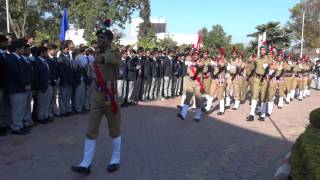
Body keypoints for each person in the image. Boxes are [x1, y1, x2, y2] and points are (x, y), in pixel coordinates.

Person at [71, 20, 122, 174]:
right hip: (96, 95)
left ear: (110, 41)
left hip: (110, 96)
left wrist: (91, 58)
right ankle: (85, 164)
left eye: (104, 38)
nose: (100, 40)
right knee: (91, 130)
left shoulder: (114, 53)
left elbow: (104, 59)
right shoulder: (95, 53)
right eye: (99, 38)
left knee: (114, 129)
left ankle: (115, 159)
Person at [6, 39, 32, 135]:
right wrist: (25, 84)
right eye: (23, 48)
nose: (24, 50)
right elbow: (16, 74)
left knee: (21, 108)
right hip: (16, 88)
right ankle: (16, 127)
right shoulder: (11, 58)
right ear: (17, 48)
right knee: (17, 108)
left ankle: (20, 125)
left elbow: (25, 73)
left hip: (22, 87)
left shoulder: (19, 58)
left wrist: (27, 83)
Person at [177, 52, 206, 122]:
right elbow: (190, 74)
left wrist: (194, 65)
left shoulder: (201, 62)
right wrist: (191, 66)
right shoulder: (190, 64)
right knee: (187, 98)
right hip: (191, 82)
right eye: (193, 55)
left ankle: (198, 115)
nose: (195, 56)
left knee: (198, 100)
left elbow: (200, 66)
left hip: (198, 83)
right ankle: (183, 114)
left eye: (196, 55)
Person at [247, 44, 272, 121]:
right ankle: (251, 114)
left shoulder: (269, 58)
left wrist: (268, 63)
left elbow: (271, 63)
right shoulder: (257, 59)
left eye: (264, 50)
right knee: (254, 95)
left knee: (263, 97)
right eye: (261, 50)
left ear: (266, 51)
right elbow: (253, 66)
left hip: (264, 79)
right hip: (257, 79)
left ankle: (262, 115)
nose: (262, 51)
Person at [57, 42, 73, 116]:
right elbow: (61, 70)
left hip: (69, 79)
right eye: (66, 49)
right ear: (62, 49)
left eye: (68, 49)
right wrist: (63, 80)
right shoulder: (60, 58)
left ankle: (67, 109)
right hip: (64, 80)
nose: (67, 50)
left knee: (67, 96)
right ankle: (62, 111)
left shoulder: (68, 57)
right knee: (63, 96)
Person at [0, 35, 9, 136]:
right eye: (5, 43)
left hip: (7, 85)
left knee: (5, 106)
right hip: (1, 85)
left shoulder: (5, 54)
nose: (6, 45)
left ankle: (5, 124)